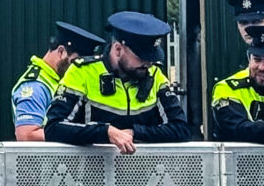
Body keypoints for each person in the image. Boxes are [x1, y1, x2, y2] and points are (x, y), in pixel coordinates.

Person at [44, 11, 191, 151]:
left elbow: (181, 129)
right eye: (141, 58)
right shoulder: (82, 72)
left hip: (144, 171)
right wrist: (105, 131)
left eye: (151, 59)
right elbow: (53, 128)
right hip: (91, 173)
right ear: (118, 49)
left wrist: (135, 133)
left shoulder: (155, 74)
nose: (148, 64)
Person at [10, 22, 106, 141]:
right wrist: (80, 134)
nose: (80, 69)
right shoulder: (36, 86)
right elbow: (27, 135)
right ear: (61, 52)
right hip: (45, 159)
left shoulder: (66, 80)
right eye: (75, 63)